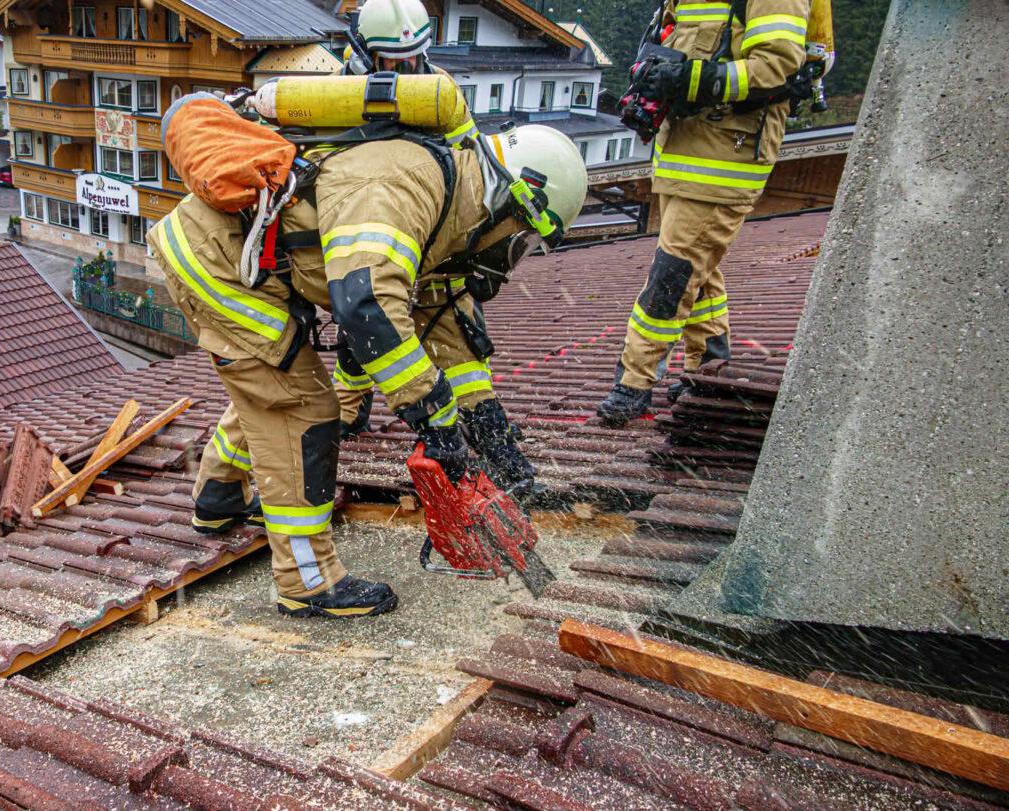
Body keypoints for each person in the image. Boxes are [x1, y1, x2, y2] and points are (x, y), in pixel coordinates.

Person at [150, 102, 585, 618]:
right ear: (518, 200)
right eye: (525, 237)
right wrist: (431, 413)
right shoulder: (405, 187)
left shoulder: (448, 195)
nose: (516, 251)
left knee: (269, 382)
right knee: (300, 406)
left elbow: (437, 312)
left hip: (226, 252)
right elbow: (369, 304)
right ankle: (308, 582)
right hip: (215, 261)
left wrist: (483, 421)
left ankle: (219, 497)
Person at [330, 0, 535, 502]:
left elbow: (475, 163)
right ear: (363, 56)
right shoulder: (333, 101)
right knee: (368, 324)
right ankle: (346, 409)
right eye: (394, 64)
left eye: (416, 59)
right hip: (372, 236)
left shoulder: (440, 96)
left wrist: (480, 245)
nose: (409, 73)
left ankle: (490, 435)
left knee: (459, 333)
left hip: (437, 236)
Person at [596, 0, 811, 426]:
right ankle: (708, 367)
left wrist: (687, 78)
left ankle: (634, 384)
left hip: (724, 159)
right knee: (698, 269)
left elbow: (776, 68)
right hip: (681, 153)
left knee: (672, 274)